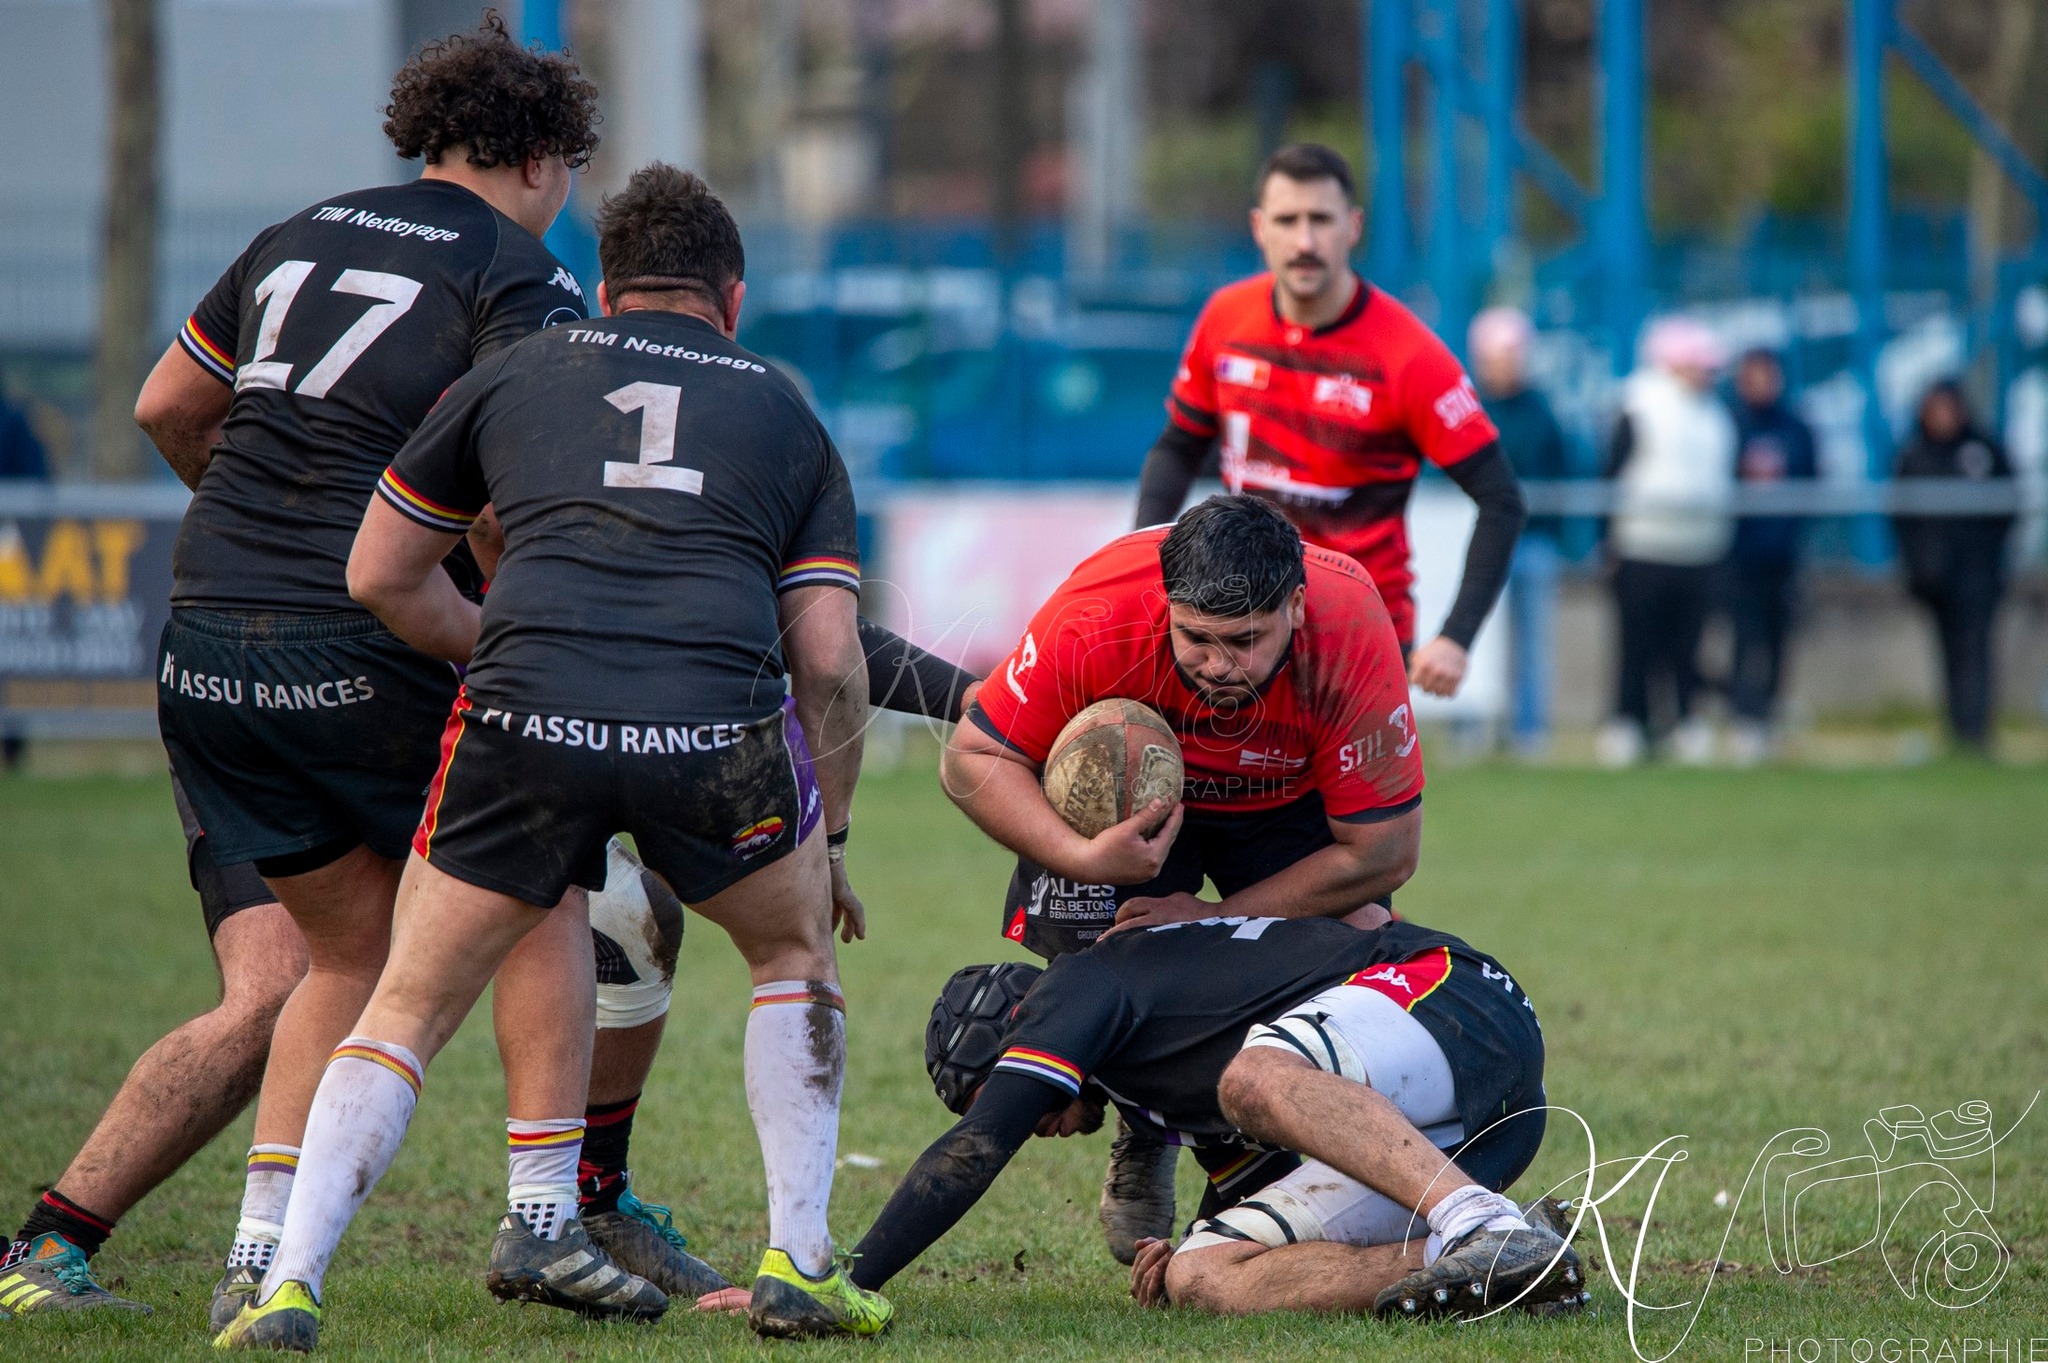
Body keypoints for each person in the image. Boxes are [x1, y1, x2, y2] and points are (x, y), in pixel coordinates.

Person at [2, 18, 624, 1324]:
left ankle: (257, 1257)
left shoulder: (295, 232)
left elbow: (168, 405)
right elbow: (513, 491)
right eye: (569, 167)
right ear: (534, 156)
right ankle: (546, 1219)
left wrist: (254, 535)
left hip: (203, 635)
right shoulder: (522, 274)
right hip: (364, 630)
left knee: (339, 952)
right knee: (548, 870)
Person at [215, 163, 886, 1350]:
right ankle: (802, 1265)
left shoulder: (518, 366)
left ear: (608, 290)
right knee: (790, 955)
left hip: (524, 721)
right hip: (710, 733)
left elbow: (377, 574)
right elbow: (829, 658)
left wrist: (496, 650)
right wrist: (826, 840)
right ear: (731, 299)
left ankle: (287, 1285)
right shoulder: (780, 404)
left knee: (407, 1005)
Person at [944, 494, 1426, 1262]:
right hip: (1124, 815)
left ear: (1296, 607)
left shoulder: (1349, 623)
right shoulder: (1097, 613)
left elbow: (1383, 853)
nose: (1216, 662)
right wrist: (1085, 860)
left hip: (1286, 811)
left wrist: (1214, 917)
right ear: (1165, 604)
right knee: (1100, 959)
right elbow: (971, 755)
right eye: (1195, 636)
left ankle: (1260, 1146)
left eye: (1244, 640)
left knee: (1348, 950)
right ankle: (1145, 1117)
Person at [828, 913, 1578, 1319]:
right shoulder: (1145, 1088)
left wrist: (843, 1280)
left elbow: (974, 1149)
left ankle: (1481, 1224)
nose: (1039, 1127)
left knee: (1252, 1077)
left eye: (1008, 1097)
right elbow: (1272, 1178)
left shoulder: (1078, 985)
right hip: (1470, 1129)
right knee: (1201, 1276)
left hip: (1453, 995)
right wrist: (1185, 1245)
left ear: (1022, 1033)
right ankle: (1507, 1262)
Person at [1134, 143, 1525, 702]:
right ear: (1258, 228)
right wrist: (1144, 559)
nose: (1305, 242)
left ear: (1353, 227)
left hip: (1358, 636)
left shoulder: (1410, 356)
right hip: (1243, 627)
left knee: (1357, 796)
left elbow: (1501, 498)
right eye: (1288, 220)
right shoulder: (1225, 317)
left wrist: (1457, 637)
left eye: (1321, 219)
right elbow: (1177, 448)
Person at [1598, 317, 1736, 767]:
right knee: (1636, 642)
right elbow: (1612, 474)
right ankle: (1628, 723)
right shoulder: (1638, 403)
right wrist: (1609, 540)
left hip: (1700, 548)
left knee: (1688, 644)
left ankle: (1684, 721)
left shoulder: (1715, 414)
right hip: (1643, 545)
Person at [1893, 380, 2018, 755]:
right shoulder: (1915, 455)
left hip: (1978, 576)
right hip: (1934, 579)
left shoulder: (1983, 450)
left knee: (1976, 650)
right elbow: (1901, 519)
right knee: (1947, 652)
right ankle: (1956, 728)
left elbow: (2008, 505)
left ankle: (1976, 731)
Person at [1469, 307, 1570, 756]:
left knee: (1533, 643)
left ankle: (1529, 732)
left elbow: (1563, 467)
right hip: (1478, 542)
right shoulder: (1468, 408)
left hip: (1532, 541)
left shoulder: (1541, 410)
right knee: (1470, 634)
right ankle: (1467, 728)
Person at [1725, 348, 1818, 764]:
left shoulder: (1796, 428)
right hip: (1737, 554)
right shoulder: (1728, 424)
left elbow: (1812, 482)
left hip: (1781, 553)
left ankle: (1771, 712)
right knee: (1744, 637)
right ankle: (1744, 715)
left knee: (1781, 637)